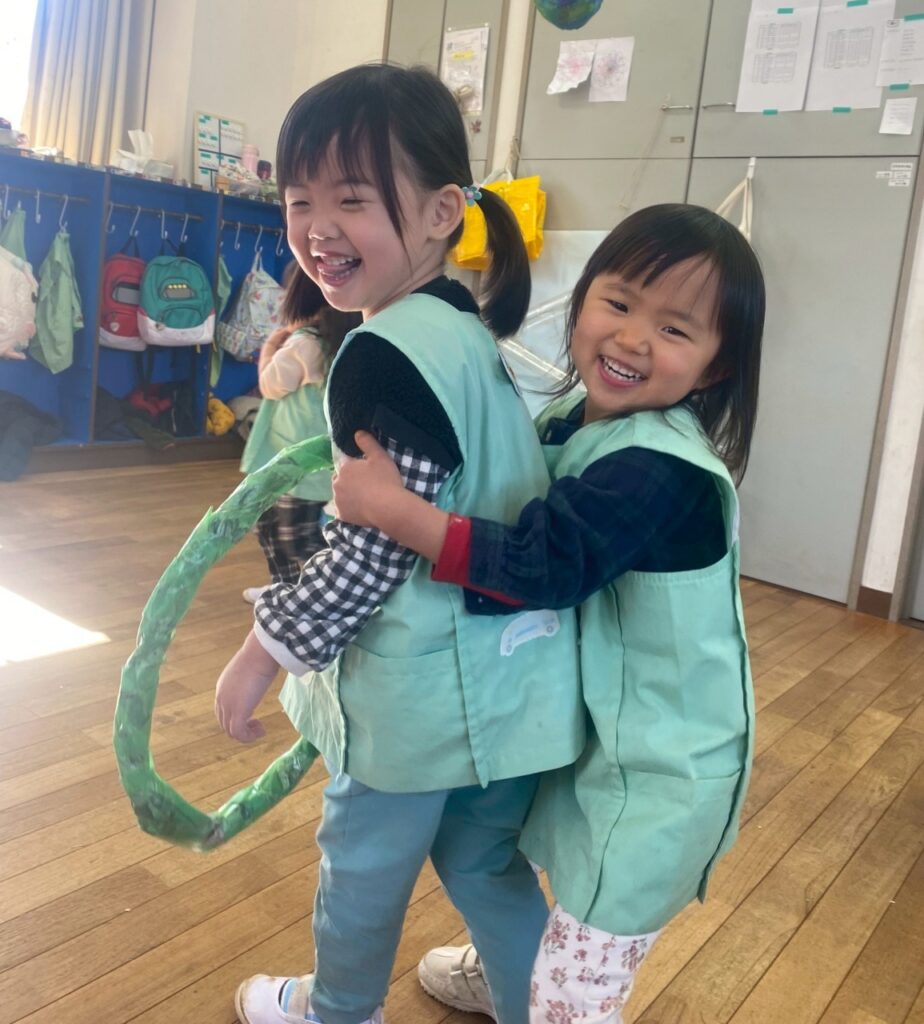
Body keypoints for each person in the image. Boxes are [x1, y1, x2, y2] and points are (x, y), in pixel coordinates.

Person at [213, 63, 585, 1024]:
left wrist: (260, 654)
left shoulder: (382, 354)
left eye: (352, 199)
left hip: (419, 702)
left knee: (362, 869)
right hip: (511, 686)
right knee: (485, 864)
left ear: (439, 213)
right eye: (300, 200)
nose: (317, 227)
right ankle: (546, 1011)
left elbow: (372, 553)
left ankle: (336, 1011)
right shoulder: (459, 326)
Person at [332, 203, 765, 1024]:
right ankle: (513, 974)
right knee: (487, 850)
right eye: (620, 302)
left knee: (583, 968)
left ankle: (549, 995)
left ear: (714, 369)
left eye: (675, 329)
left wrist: (395, 511)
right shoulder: (568, 420)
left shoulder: (657, 472)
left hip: (658, 770)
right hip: (591, 722)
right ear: (582, 300)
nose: (633, 339)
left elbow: (540, 564)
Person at [239, 264, 361, 604]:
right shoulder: (341, 341)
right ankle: (286, 589)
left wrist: (271, 345)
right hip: (309, 461)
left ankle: (317, 595)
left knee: (293, 536)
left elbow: (270, 385)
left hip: (292, 462)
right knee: (275, 527)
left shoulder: (304, 344)